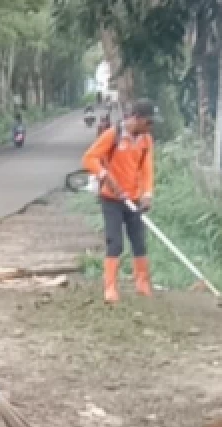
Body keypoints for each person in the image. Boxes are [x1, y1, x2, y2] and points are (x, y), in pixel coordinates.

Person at [81, 98, 156, 303]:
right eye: (148, 122)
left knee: (139, 242)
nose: (150, 127)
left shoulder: (145, 140)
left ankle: (142, 283)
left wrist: (147, 194)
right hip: (112, 199)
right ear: (136, 119)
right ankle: (110, 287)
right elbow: (89, 158)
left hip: (133, 199)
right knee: (115, 243)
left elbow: (147, 169)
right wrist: (104, 175)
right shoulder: (112, 135)